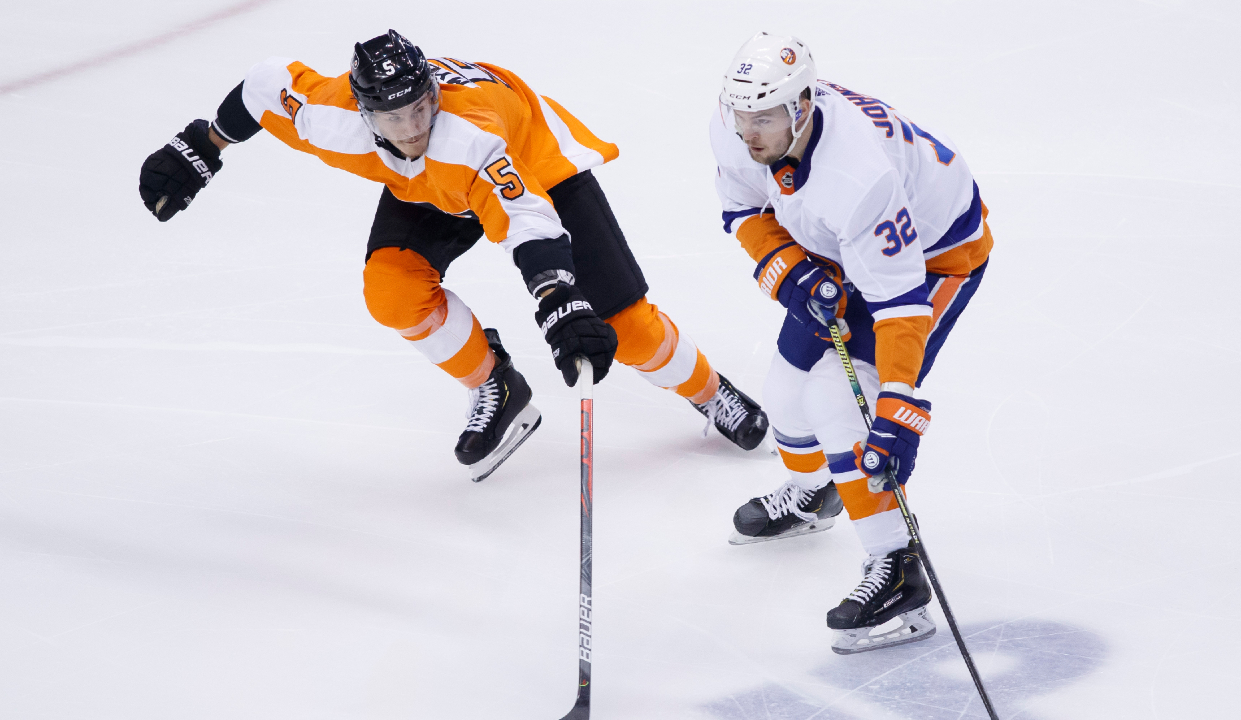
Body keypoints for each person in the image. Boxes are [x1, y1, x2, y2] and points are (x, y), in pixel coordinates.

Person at [139, 30, 769, 481]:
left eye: (420, 107)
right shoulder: (331, 118)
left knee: (626, 330)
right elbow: (265, 85)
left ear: (434, 95)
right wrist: (204, 145)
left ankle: (710, 391)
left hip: (537, 171)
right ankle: (497, 385)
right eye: (394, 117)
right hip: (430, 189)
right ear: (364, 113)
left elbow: (526, 216)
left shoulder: (469, 137)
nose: (412, 127)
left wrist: (559, 299)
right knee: (391, 292)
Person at [710, 32, 994, 653]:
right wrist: (786, 264)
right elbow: (743, 207)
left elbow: (899, 302)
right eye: (740, 115)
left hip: (933, 258)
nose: (747, 132)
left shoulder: (857, 175)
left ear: (802, 107)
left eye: (763, 118)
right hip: (840, 244)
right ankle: (817, 494)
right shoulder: (739, 124)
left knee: (838, 404)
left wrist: (896, 405)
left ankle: (898, 568)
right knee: (785, 395)